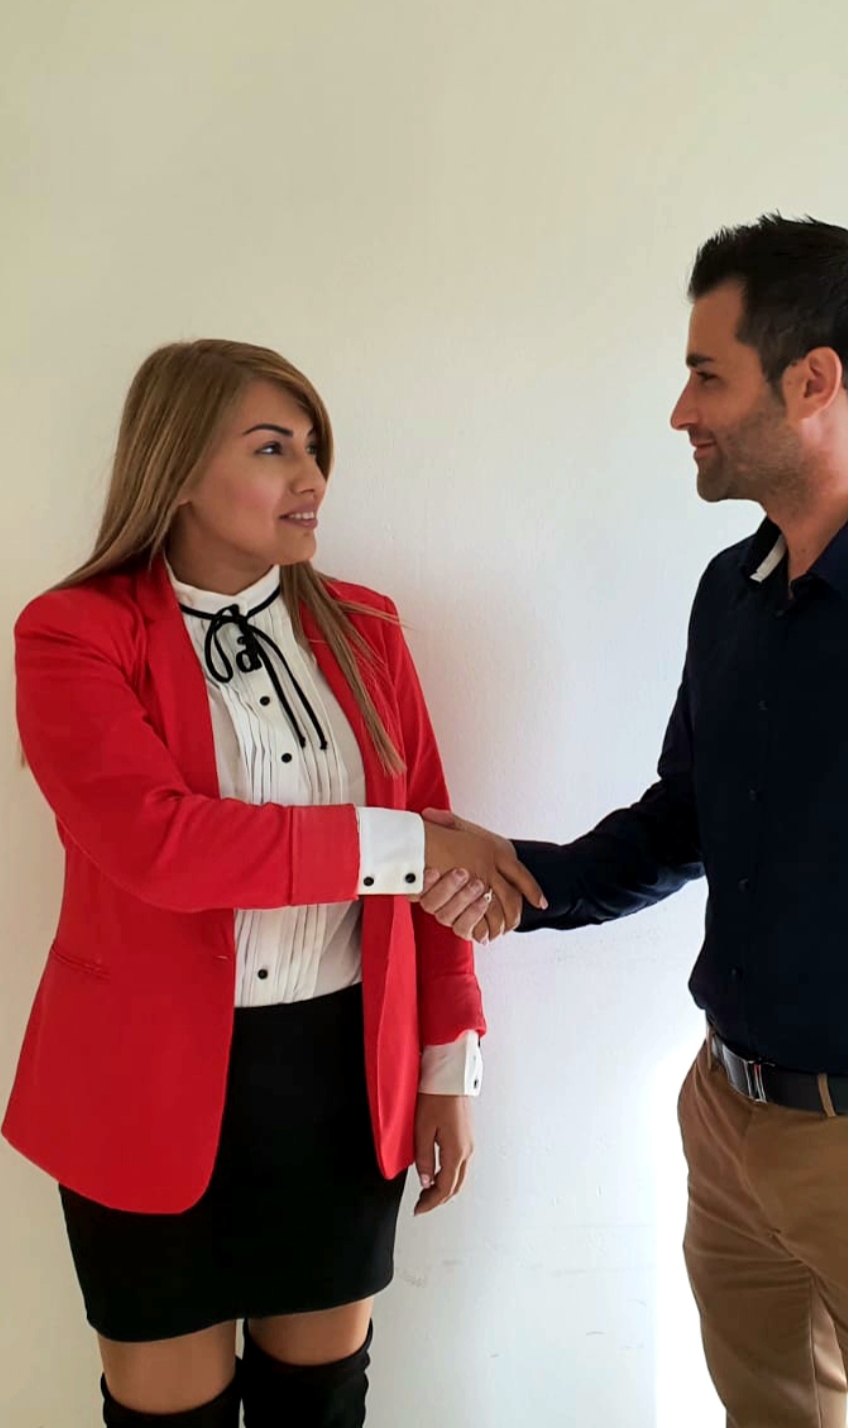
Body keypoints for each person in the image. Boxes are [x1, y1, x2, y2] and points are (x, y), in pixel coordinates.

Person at [417, 215, 848, 1428]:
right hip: (725, 1121)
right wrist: (522, 876)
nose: (682, 410)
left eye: (707, 375)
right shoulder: (733, 590)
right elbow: (687, 817)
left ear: (813, 379)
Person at [4, 339, 543, 1428]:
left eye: (314, 448)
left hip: (340, 1078)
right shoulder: (73, 635)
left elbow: (433, 868)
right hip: (139, 1087)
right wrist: (410, 846)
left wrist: (450, 1067)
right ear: (177, 468)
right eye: (272, 448)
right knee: (165, 1418)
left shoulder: (368, 628)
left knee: (320, 1406)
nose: (312, 477)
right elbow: (164, 846)